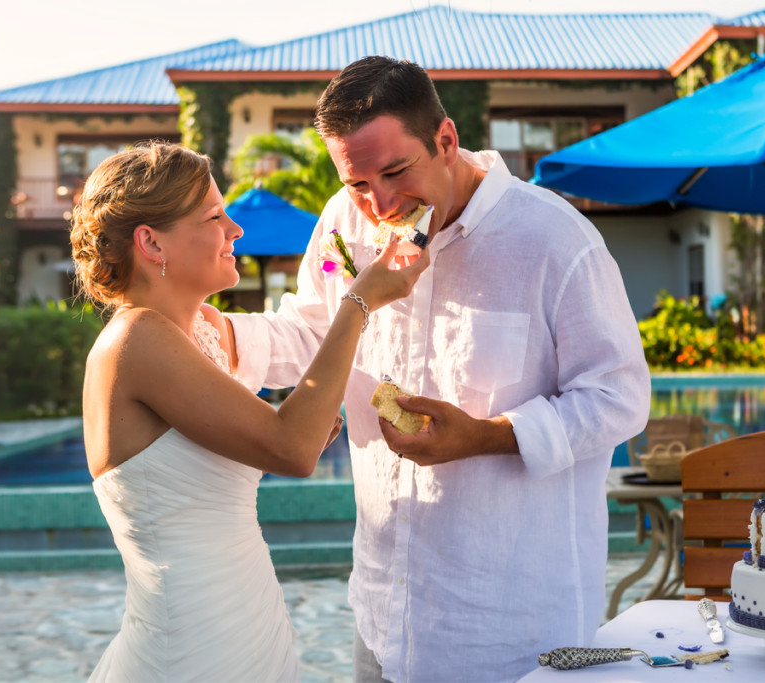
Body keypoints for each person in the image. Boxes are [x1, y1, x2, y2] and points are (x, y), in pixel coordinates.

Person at [227, 56, 651, 682]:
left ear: (446, 140)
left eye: (396, 172)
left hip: (510, 628)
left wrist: (485, 436)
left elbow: (619, 397)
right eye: (358, 183)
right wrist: (207, 332)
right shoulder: (344, 224)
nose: (380, 205)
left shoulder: (556, 240)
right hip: (382, 615)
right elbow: (315, 331)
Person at [70, 141, 427, 682]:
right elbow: (292, 448)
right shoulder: (136, 339)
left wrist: (404, 251)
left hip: (249, 618)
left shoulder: (205, 331)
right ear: (150, 241)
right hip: (192, 641)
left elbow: (284, 412)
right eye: (215, 215)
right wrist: (358, 299)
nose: (236, 229)